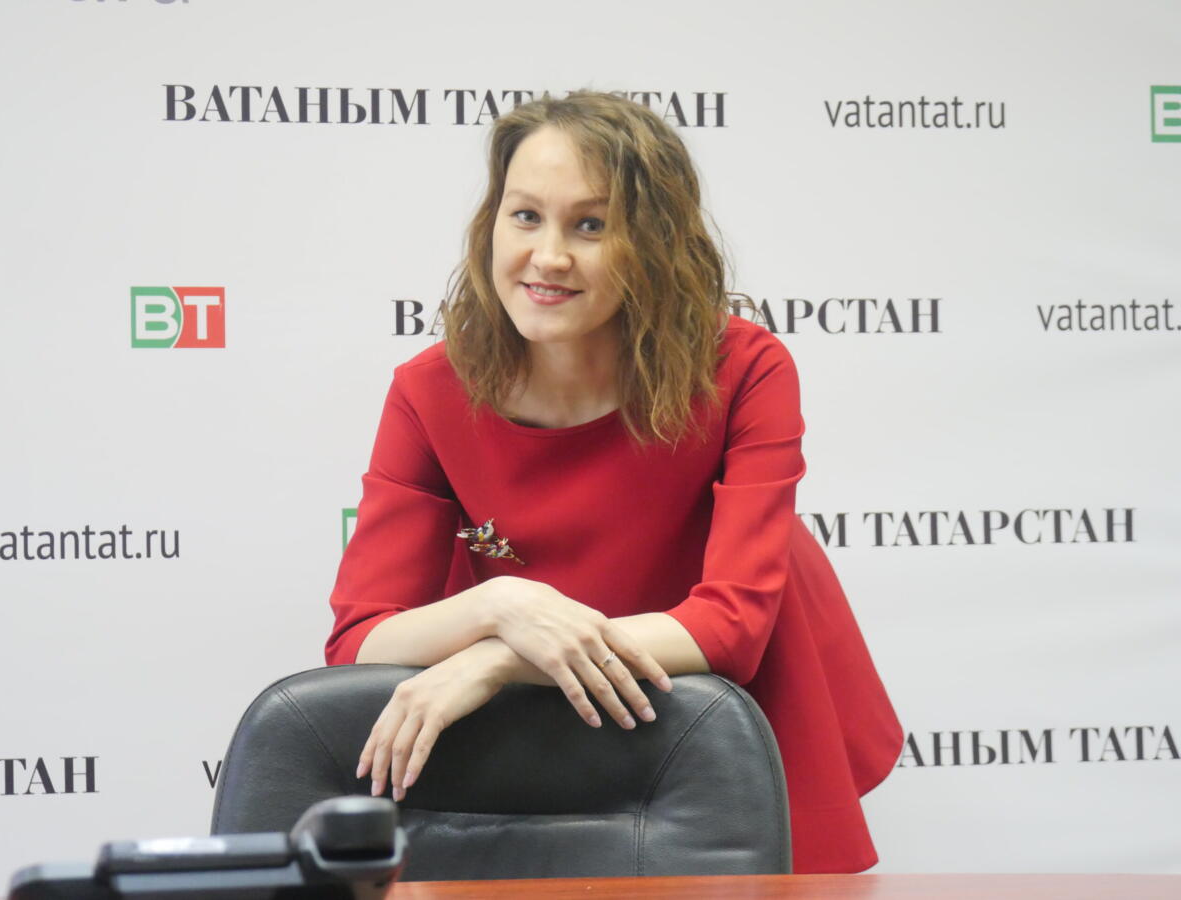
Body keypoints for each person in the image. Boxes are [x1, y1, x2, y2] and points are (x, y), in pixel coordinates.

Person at [325, 91, 903, 874]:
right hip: (540, 734)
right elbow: (359, 641)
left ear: (654, 244)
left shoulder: (746, 368)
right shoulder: (427, 391)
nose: (548, 256)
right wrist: (502, 608)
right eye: (525, 216)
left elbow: (731, 629)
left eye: (590, 226)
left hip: (727, 700)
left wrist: (498, 659)